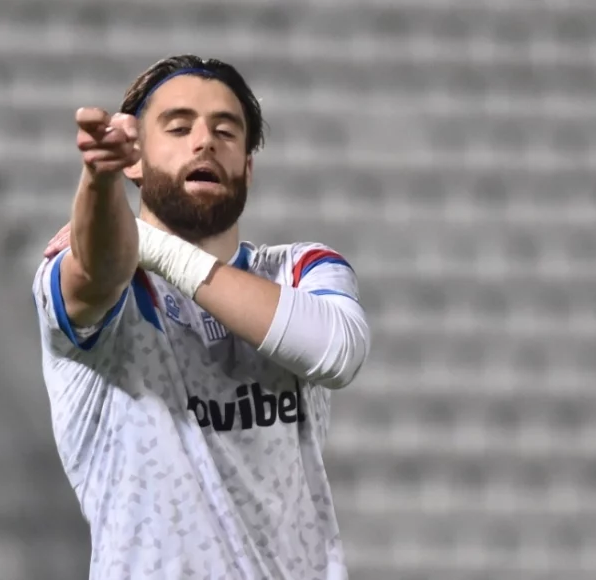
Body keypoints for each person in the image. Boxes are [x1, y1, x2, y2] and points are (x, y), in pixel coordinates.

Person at [32, 54, 370, 580]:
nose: (205, 141)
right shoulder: (107, 286)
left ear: (248, 169)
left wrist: (151, 244)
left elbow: (337, 352)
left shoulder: (300, 270)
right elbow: (97, 270)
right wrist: (98, 182)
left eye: (226, 131)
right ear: (134, 161)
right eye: (179, 127)